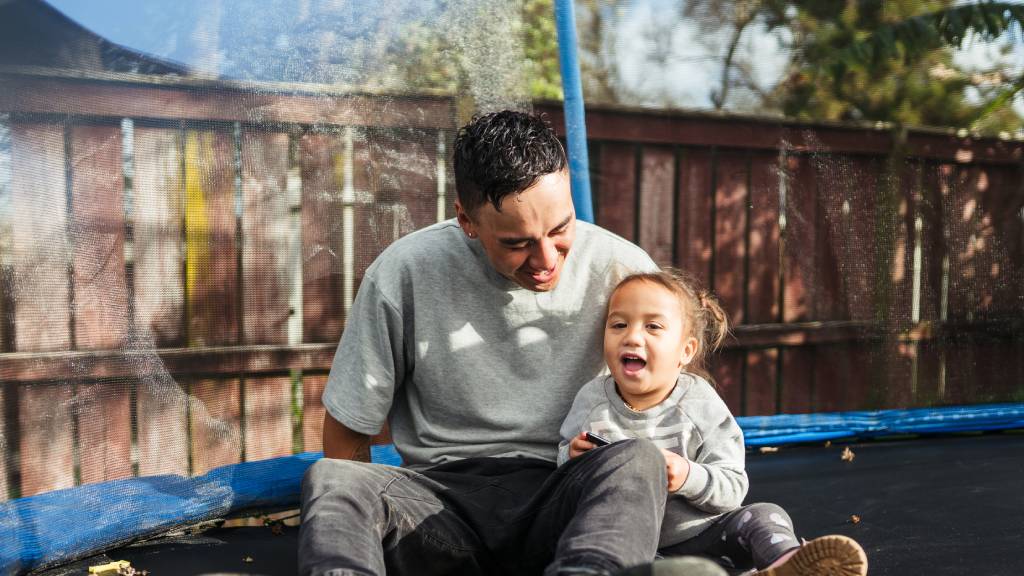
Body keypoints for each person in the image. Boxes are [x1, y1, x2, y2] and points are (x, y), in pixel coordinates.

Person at [299, 111, 728, 576]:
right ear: (466, 219)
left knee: (637, 458)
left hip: (566, 498)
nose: (546, 259)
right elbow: (347, 431)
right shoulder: (404, 273)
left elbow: (666, 393)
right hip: (440, 508)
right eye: (518, 242)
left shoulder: (621, 268)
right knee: (334, 479)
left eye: (561, 228)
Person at [558, 269, 869, 576]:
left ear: (685, 350)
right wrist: (573, 459)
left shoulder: (698, 403)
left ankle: (786, 564)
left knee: (764, 515)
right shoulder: (592, 400)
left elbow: (733, 486)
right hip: (638, 547)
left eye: (652, 326)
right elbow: (561, 473)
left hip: (708, 534)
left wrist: (687, 476)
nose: (632, 336)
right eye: (619, 324)